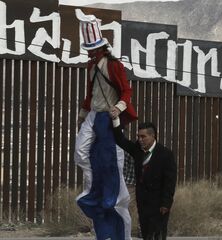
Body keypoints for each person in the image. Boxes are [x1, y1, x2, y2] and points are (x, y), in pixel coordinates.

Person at [73, 12, 137, 240]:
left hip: (108, 116)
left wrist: (119, 108)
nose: (90, 52)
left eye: (93, 48)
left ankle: (108, 196)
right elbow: (90, 94)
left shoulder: (114, 65)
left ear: (101, 48)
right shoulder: (91, 65)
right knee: (80, 153)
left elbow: (127, 91)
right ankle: (93, 189)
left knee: (112, 159)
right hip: (93, 114)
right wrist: (82, 114)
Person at [112, 122, 177, 240]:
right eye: (138, 136)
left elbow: (170, 181)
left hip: (159, 203)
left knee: (158, 234)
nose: (140, 139)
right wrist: (115, 120)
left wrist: (166, 203)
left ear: (153, 136)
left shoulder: (165, 154)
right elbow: (120, 140)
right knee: (146, 233)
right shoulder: (137, 150)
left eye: (143, 137)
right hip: (143, 201)